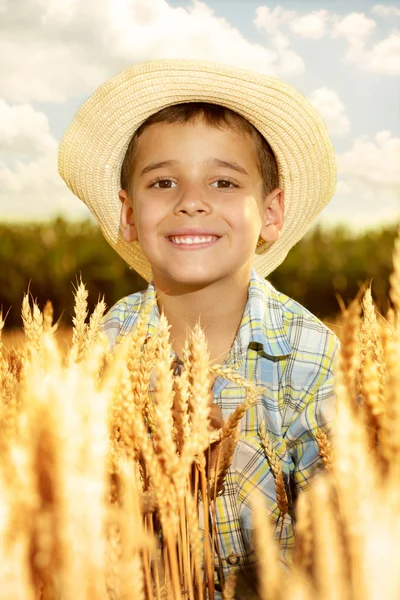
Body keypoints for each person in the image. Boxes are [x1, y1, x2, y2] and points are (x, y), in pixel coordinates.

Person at [58, 59, 339, 591]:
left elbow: (338, 537)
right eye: (163, 181)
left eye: (223, 181)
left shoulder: (312, 354)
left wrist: (227, 467)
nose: (191, 201)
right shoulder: (104, 350)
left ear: (272, 213)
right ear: (128, 214)